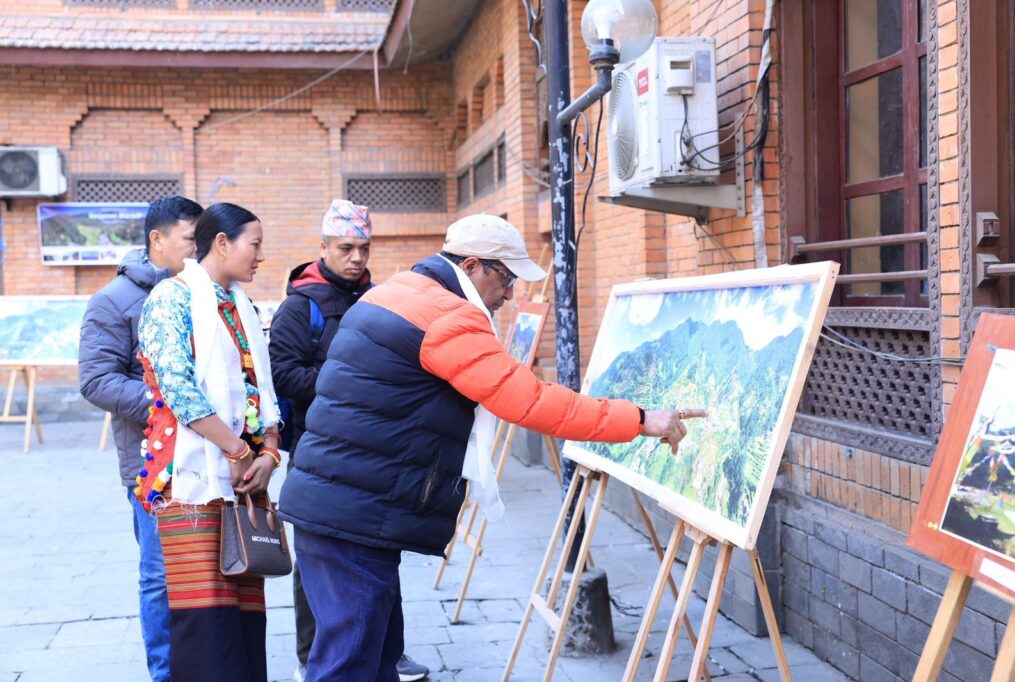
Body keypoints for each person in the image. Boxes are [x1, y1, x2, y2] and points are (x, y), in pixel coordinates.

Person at [278, 214, 705, 681]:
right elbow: (531, 402)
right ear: (473, 265)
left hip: (339, 501)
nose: (509, 295)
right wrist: (640, 419)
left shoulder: (395, 290)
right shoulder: (448, 316)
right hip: (353, 513)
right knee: (349, 662)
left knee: (374, 655)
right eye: (506, 279)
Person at [269, 200, 430, 682]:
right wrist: (352, 383)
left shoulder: (381, 298)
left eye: (364, 248)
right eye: (345, 248)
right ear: (323, 247)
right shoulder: (300, 306)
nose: (357, 258)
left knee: (381, 549)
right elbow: (284, 375)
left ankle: (388, 652)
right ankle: (310, 654)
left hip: (377, 450)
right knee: (316, 561)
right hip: (316, 449)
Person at [136, 202, 282, 681]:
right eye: (254, 244)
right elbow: (180, 390)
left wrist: (268, 454)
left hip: (241, 482)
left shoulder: (240, 306)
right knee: (205, 620)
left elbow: (260, 389)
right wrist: (238, 450)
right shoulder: (170, 299)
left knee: (244, 617)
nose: (261, 256)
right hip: (191, 482)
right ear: (222, 243)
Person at [79, 195, 203, 682]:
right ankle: (166, 674)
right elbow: (96, 381)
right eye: (190, 239)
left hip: (208, 456)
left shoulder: (202, 292)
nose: (198, 249)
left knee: (209, 572)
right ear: (157, 239)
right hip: (153, 463)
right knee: (161, 576)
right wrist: (172, 403)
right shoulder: (113, 301)